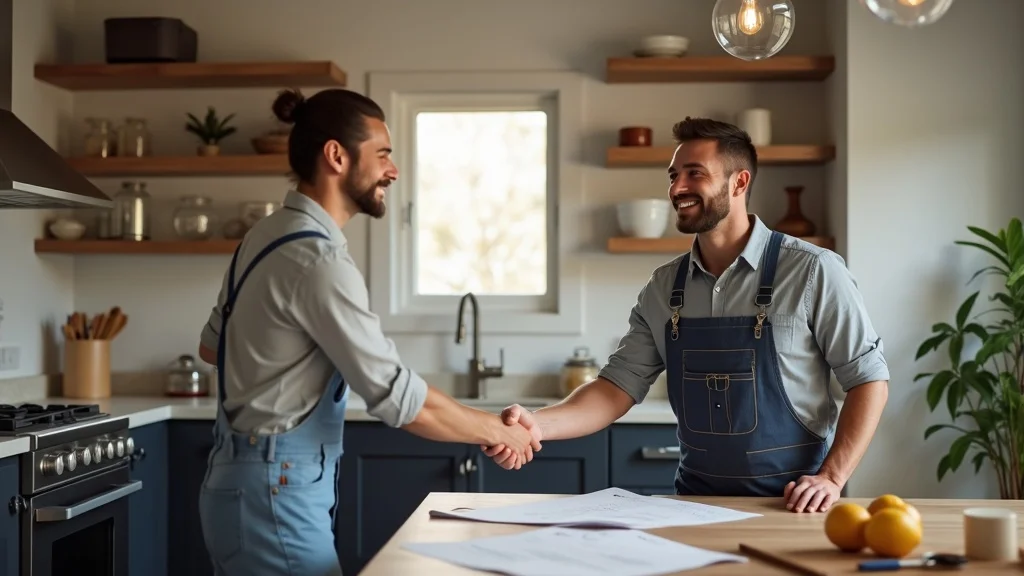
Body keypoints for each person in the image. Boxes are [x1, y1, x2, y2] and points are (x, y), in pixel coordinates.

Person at [194, 87, 540, 576]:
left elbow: (212, 347)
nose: (393, 171)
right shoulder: (318, 260)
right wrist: (495, 429)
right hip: (277, 491)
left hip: (237, 484)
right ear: (336, 156)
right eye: (382, 154)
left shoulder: (267, 234)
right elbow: (399, 399)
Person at [484, 117, 889, 514]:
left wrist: (832, 478)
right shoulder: (663, 288)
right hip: (694, 506)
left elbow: (869, 380)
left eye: (694, 173)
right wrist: (538, 424)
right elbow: (613, 390)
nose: (677, 188)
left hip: (795, 505)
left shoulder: (813, 271)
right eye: (673, 175)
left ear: (739, 182)